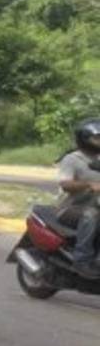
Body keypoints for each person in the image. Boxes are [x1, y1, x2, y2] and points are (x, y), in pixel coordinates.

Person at [56, 118, 100, 277]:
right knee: (91, 215)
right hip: (70, 208)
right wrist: (89, 184)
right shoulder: (72, 159)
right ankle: (82, 260)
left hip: (96, 205)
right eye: (97, 138)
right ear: (85, 138)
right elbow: (65, 184)